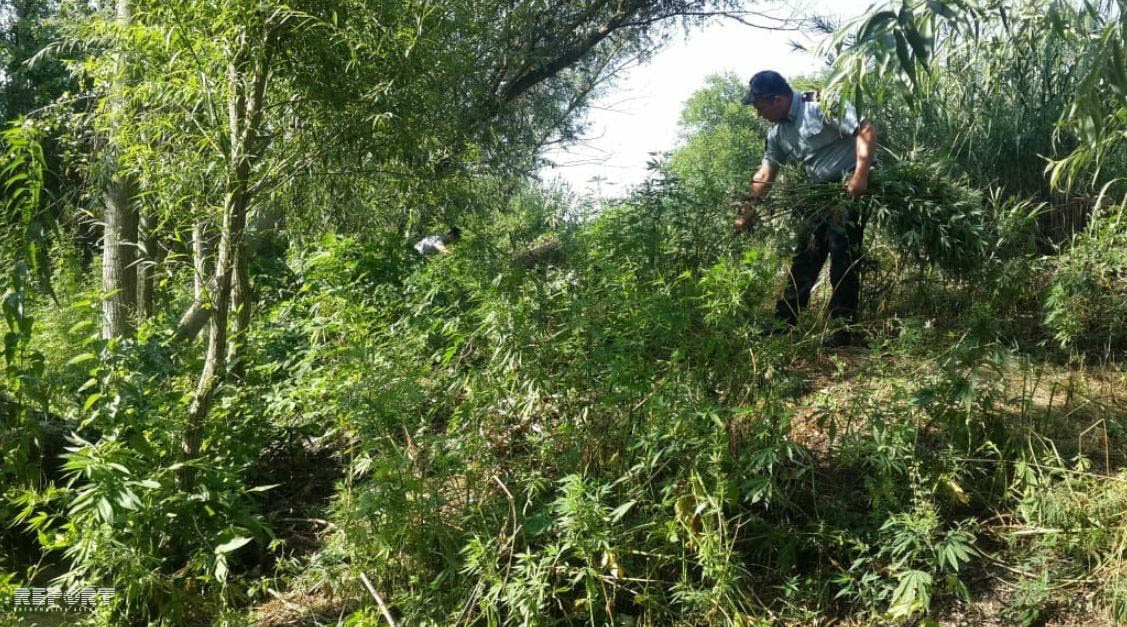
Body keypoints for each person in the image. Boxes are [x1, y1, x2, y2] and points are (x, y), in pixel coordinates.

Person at [734, 70, 877, 347]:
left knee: (842, 256)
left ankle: (841, 330)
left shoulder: (821, 104)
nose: (759, 113)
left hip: (847, 188)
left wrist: (860, 175)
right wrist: (746, 213)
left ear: (777, 99)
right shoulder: (777, 132)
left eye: (760, 106)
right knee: (805, 257)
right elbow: (766, 173)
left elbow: (865, 129)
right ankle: (782, 323)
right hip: (818, 194)